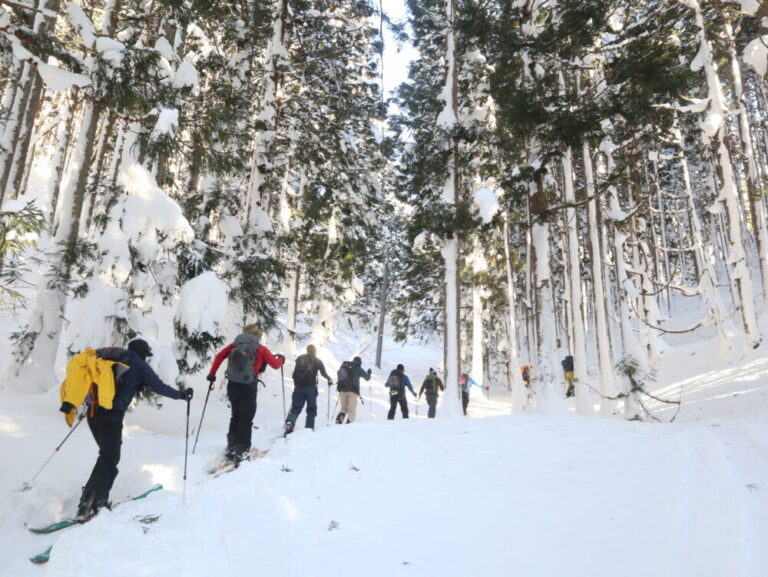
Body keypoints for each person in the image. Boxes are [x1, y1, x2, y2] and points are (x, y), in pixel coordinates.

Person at [62, 339, 193, 520]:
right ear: (143, 353)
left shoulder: (108, 358)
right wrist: (182, 395)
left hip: (93, 414)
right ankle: (92, 503)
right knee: (110, 458)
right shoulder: (139, 365)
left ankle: (90, 498)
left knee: (106, 456)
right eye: (147, 355)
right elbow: (158, 386)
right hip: (111, 417)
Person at [207, 324, 285, 461]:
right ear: (257, 336)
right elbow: (276, 365)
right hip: (248, 387)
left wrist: (212, 375)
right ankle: (241, 450)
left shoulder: (234, 346)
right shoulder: (260, 349)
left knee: (235, 415)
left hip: (232, 385)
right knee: (246, 419)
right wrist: (281, 359)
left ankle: (231, 447)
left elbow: (219, 356)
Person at [285, 344, 332, 433]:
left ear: (307, 350)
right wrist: (329, 379)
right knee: (311, 409)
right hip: (310, 388)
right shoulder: (318, 361)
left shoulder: (300, 359)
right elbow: (323, 373)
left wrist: (296, 385)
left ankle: (290, 423)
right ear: (315, 351)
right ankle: (309, 429)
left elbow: (295, 373)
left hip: (298, 388)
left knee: (295, 408)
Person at [336, 356, 371, 424]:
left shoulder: (345, 367)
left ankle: (339, 421)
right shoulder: (358, 369)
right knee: (351, 409)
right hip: (353, 391)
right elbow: (367, 378)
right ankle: (349, 424)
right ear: (360, 363)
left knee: (343, 408)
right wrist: (369, 373)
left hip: (343, 390)